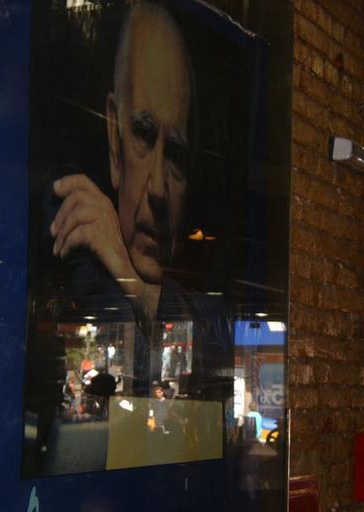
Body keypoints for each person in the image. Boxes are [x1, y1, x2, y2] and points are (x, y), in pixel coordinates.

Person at [48, 2, 231, 399]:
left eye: (176, 155)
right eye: (144, 136)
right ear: (114, 143)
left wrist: (131, 281)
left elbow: (219, 350)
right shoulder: (68, 237)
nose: (159, 190)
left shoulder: (207, 302)